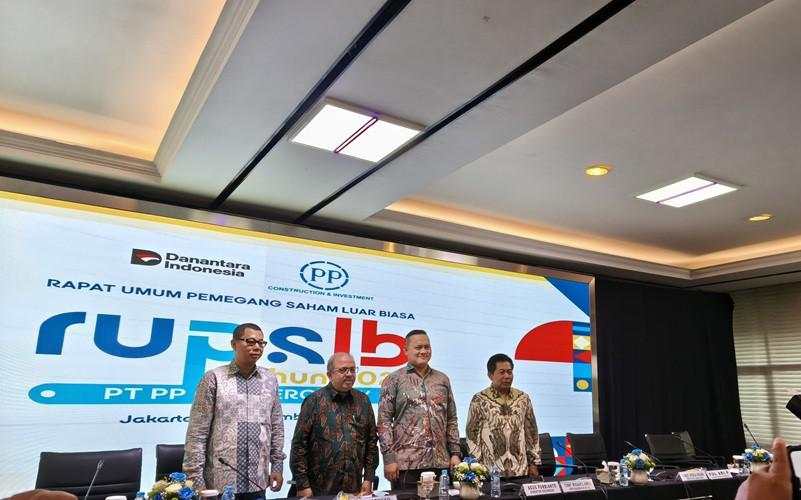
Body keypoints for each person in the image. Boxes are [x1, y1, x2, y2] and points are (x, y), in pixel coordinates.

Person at [184, 323, 285, 500]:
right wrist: (196, 481)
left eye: (261, 343)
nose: (257, 347)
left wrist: (277, 465)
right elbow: (197, 433)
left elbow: (276, 425)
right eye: (250, 341)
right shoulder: (214, 378)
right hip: (220, 483)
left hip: (257, 481)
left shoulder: (270, 380)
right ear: (234, 344)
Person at [377, 329, 461, 489]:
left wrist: (455, 454)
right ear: (406, 350)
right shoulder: (393, 379)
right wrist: (389, 459)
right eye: (418, 347)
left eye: (427, 347)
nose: (423, 351)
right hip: (406, 466)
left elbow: (451, 419)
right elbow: (384, 422)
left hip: (441, 463)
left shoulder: (442, 379)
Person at [290, 353, 379, 496]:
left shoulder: (363, 401)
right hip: (319, 489)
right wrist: (302, 485)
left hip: (354, 487)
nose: (349, 374)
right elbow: (299, 446)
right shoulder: (314, 401)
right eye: (343, 370)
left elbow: (371, 443)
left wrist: (369, 478)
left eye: (352, 369)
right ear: (329, 375)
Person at [465, 353, 540, 478]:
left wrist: (534, 463)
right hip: (490, 471)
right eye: (502, 372)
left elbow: (531, 432)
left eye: (509, 372)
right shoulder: (479, 399)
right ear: (490, 375)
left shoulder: (523, 398)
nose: (507, 376)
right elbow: (472, 435)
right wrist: (476, 466)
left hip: (520, 470)